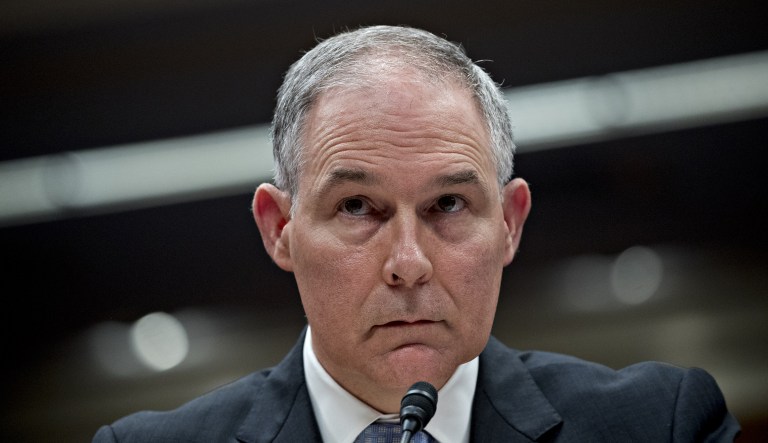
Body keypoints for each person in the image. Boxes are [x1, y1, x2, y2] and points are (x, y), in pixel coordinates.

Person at [93, 25, 740, 442]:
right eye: (356, 207)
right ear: (281, 228)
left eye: (449, 203)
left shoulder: (662, 424)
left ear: (510, 222)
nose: (409, 264)